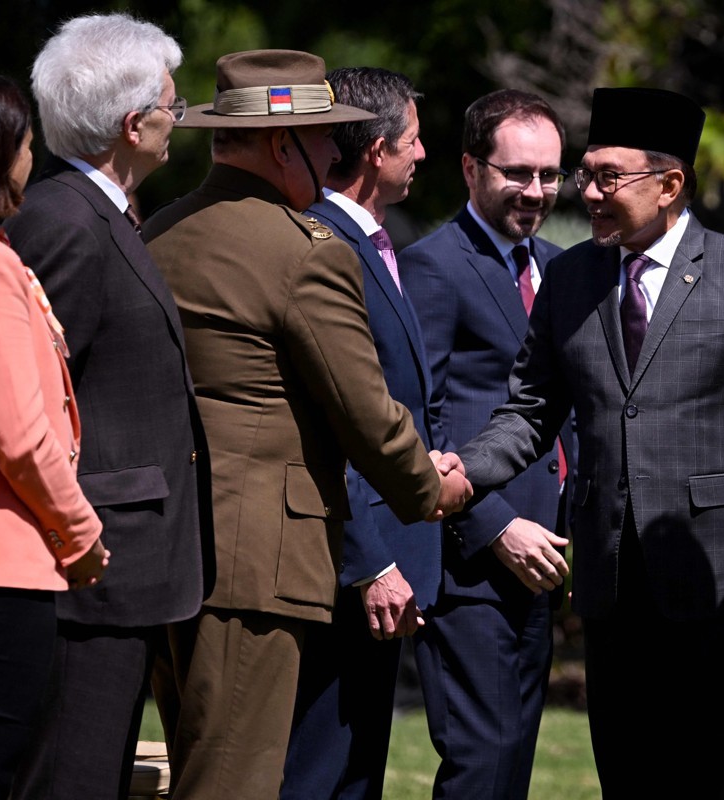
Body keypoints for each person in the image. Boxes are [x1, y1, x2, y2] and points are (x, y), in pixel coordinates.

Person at [141, 49, 471, 799]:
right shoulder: (304, 253)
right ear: (279, 142)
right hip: (257, 562)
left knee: (196, 764)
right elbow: (365, 413)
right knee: (232, 782)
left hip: (167, 546)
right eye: (323, 136)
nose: (334, 152)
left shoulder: (159, 230)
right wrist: (432, 487)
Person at [458, 86, 724, 799]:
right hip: (611, 587)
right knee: (630, 778)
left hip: (722, 582)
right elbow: (530, 410)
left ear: (671, 184)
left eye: (610, 177)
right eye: (589, 174)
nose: (590, 193)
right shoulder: (572, 276)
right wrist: (460, 472)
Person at [2, 15, 205, 800]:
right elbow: (27, 403)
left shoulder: (102, 215)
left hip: (116, 570)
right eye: (172, 106)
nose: (175, 122)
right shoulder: (64, 224)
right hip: (85, 577)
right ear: (134, 124)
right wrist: (76, 531)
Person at [400, 88, 572, 799]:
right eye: (517, 173)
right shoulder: (433, 266)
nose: (535, 191)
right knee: (481, 763)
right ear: (471, 169)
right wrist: (493, 526)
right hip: (473, 563)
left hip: (549, 558)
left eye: (550, 175)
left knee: (513, 767)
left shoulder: (564, 267)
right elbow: (418, 421)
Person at [280, 66, 440, 799]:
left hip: (383, 565)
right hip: (351, 567)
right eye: (413, 139)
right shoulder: (326, 247)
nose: (424, 153)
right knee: (322, 771)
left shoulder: (373, 242)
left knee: (358, 774)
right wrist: (369, 562)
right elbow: (325, 425)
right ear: (376, 150)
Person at [0, 67, 109, 800]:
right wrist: (79, 533)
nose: (35, 155)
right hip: (2, 571)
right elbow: (22, 433)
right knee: (9, 770)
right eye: (28, 142)